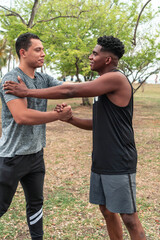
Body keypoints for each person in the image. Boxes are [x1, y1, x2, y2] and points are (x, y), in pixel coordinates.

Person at [4, 35, 146, 240]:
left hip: (119, 159)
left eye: (95, 53)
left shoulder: (115, 78)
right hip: (101, 159)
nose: (90, 56)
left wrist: (27, 92)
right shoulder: (102, 85)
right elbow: (98, 124)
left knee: (130, 218)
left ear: (107, 60)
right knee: (106, 210)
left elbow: (69, 89)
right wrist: (70, 119)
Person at [0, 32, 72, 240]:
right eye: (37, 50)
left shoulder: (42, 78)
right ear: (23, 52)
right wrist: (58, 115)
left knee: (36, 204)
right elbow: (21, 116)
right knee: (2, 207)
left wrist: (65, 104)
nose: (43, 54)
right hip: (12, 156)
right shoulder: (12, 79)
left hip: (36, 155)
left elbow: (66, 90)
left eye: (43, 49)